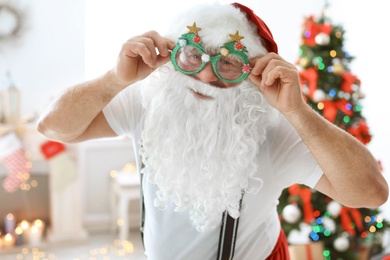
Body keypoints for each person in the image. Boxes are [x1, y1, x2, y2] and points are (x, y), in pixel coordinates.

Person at [37, 2, 388, 259]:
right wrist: (114, 79)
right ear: (173, 54)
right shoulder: (149, 102)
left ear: (252, 71)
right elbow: (52, 126)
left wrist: (297, 111)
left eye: (229, 62)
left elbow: (371, 192)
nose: (206, 76)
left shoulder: (270, 130)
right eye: (194, 55)